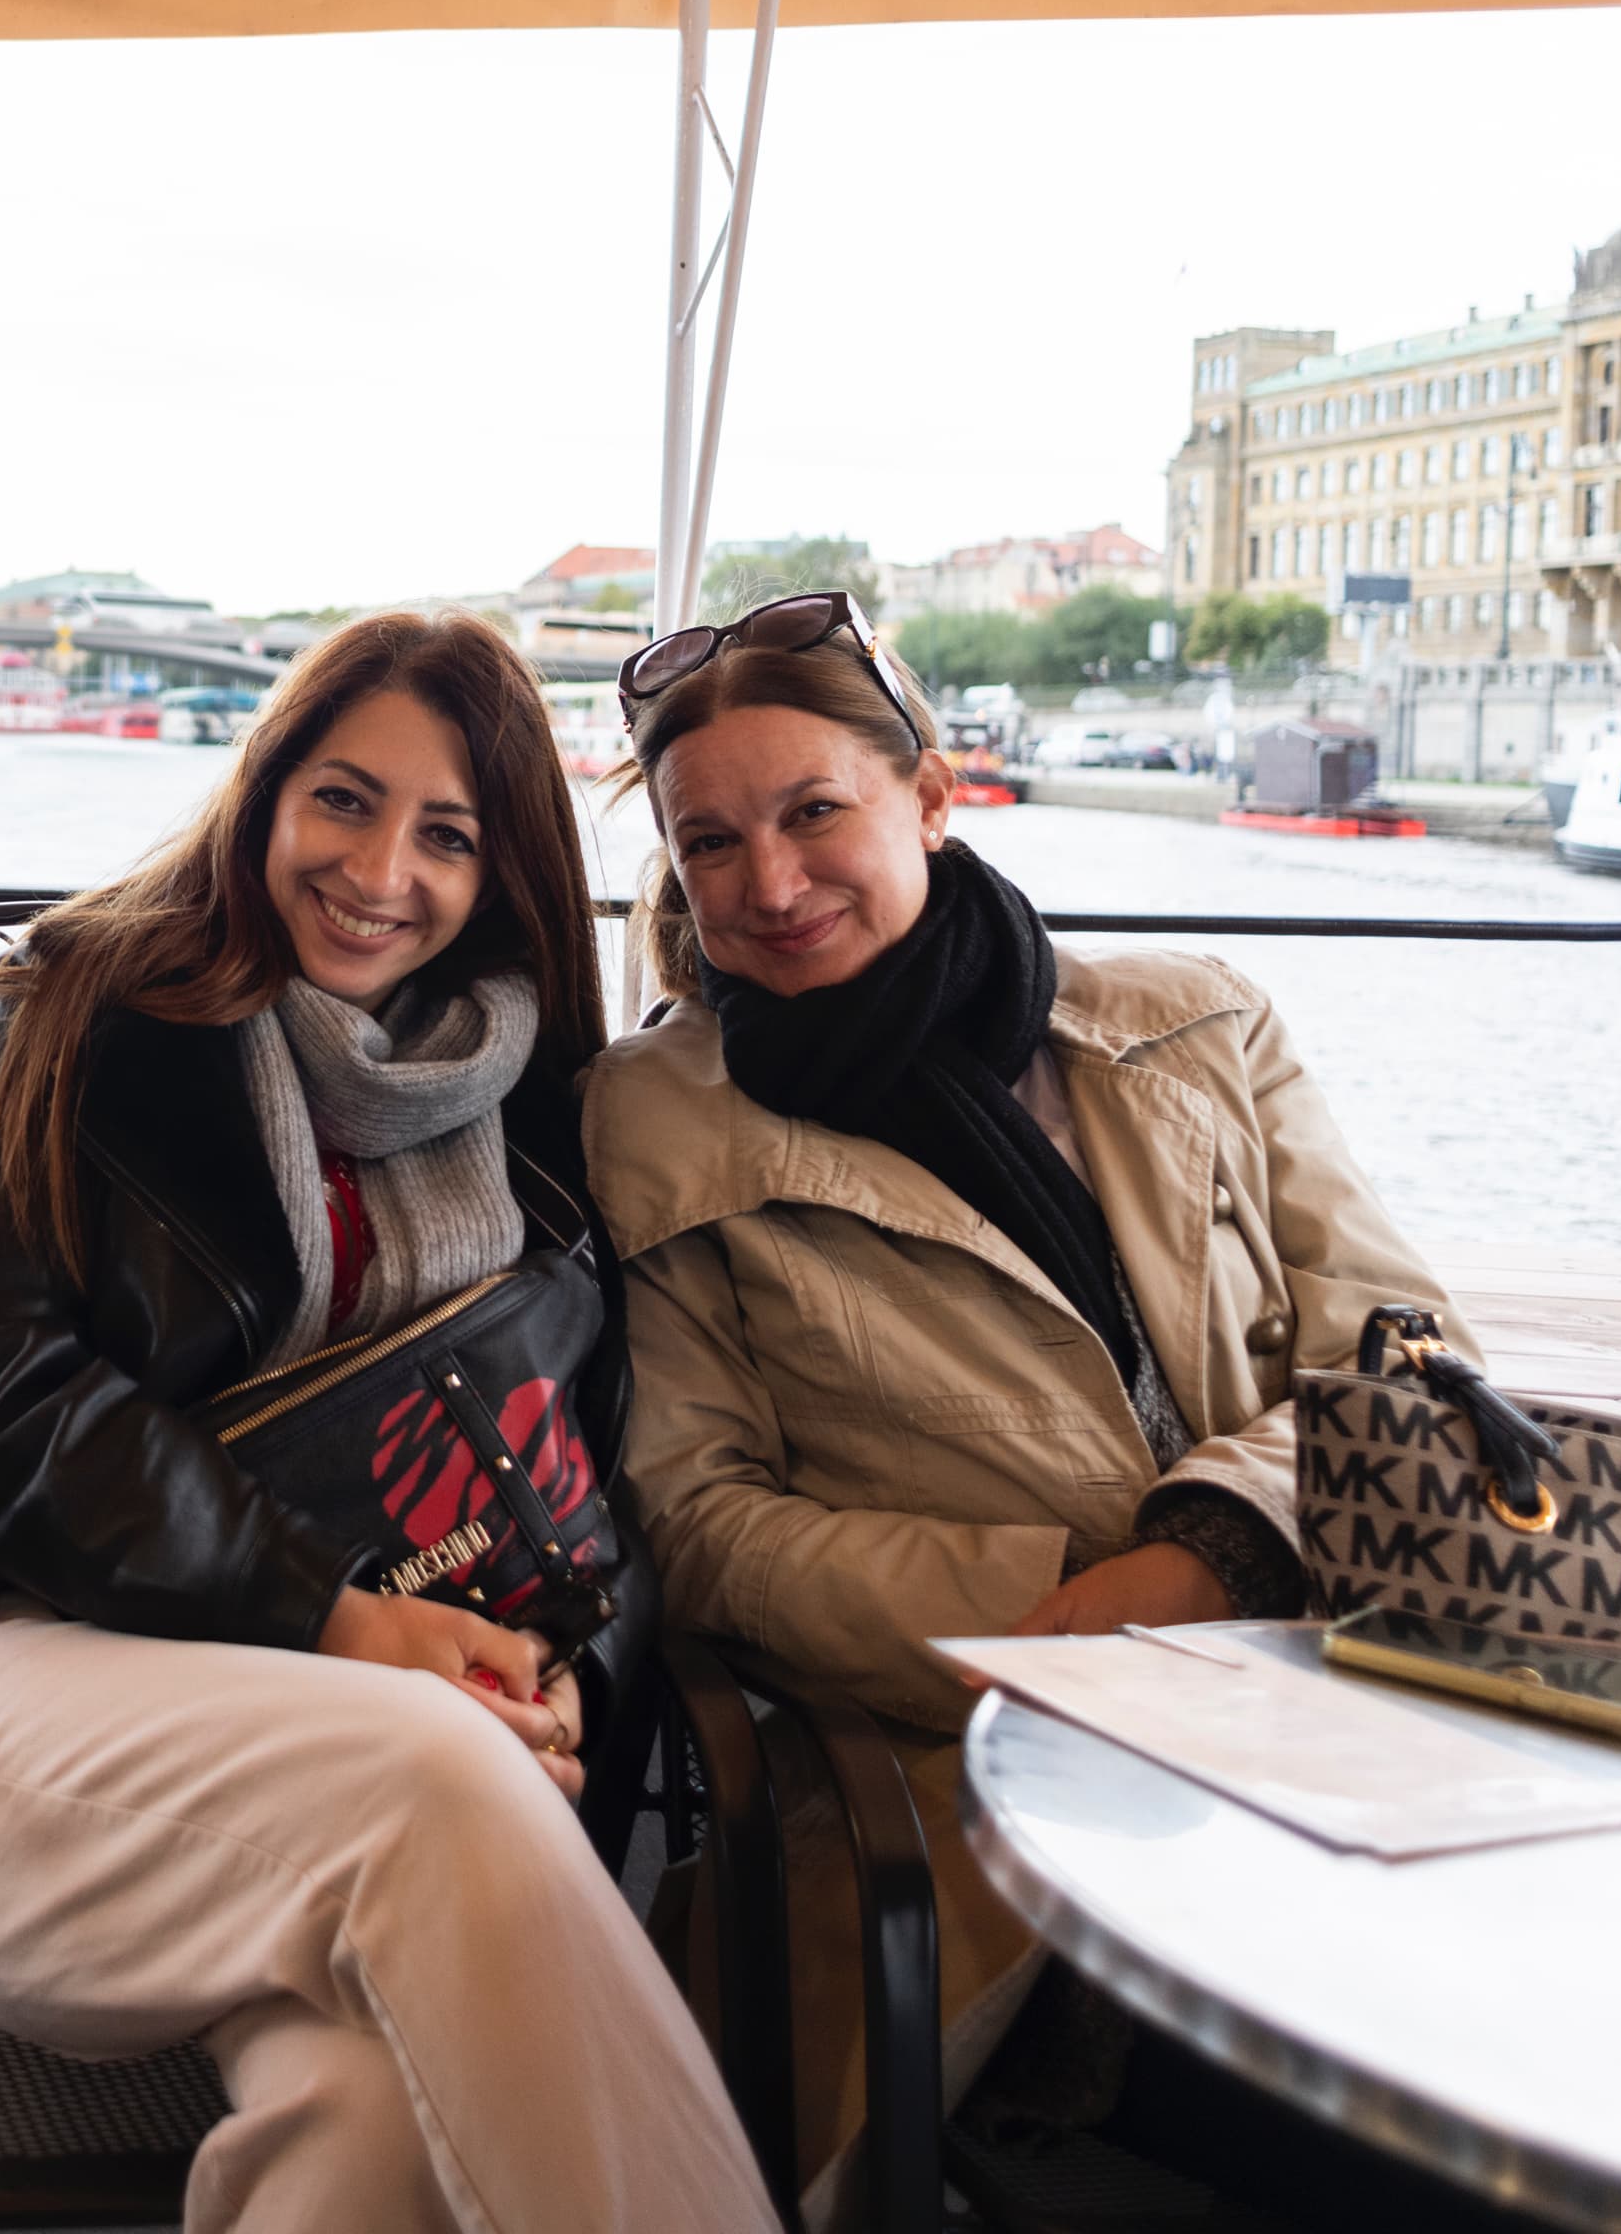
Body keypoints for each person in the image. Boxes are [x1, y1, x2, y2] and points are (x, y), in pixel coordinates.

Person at [0, 610, 776, 2234]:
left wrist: (555, 1684)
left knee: (381, 2117)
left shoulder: (543, 1120)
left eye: (448, 834)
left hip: (385, 1780)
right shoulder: (87, 1010)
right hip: (0, 1702)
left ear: (502, 873)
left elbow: (582, 1482)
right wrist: (338, 1621)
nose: (380, 870)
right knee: (436, 1776)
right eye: (344, 798)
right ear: (265, 794)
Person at [584, 595, 1471, 2202]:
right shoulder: (655, 1124)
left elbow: (1415, 1362)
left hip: (1336, 1701)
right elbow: (698, 1526)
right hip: (988, 1798)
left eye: (814, 813)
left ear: (930, 797)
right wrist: (1062, 1617)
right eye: (710, 843)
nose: (768, 886)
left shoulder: (1198, 1024)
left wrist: (1218, 1548)